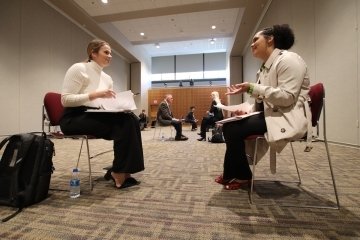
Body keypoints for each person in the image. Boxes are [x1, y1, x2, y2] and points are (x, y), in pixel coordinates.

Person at [215, 24, 312, 190]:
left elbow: (287, 97)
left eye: (255, 40)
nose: (252, 44)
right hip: (275, 114)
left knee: (232, 129)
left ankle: (241, 175)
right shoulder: (265, 68)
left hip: (288, 117)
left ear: (270, 40)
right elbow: (266, 101)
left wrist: (253, 88)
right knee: (229, 125)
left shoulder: (289, 60)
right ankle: (233, 173)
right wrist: (248, 112)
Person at [60, 39, 145, 189]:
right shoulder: (79, 68)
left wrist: (120, 104)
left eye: (111, 53)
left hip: (94, 114)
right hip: (74, 117)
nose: (110, 56)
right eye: (106, 52)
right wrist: (95, 95)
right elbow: (65, 100)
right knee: (124, 123)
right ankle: (118, 171)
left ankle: (125, 171)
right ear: (93, 53)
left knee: (131, 118)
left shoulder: (107, 78)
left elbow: (105, 104)